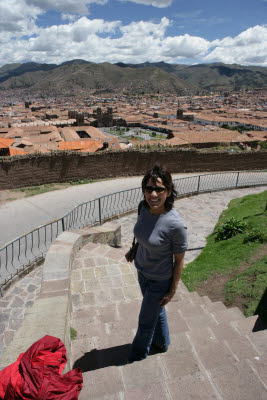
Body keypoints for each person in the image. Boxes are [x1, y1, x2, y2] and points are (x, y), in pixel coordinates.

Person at [127, 163, 188, 362]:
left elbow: (179, 261)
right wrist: (134, 251)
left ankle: (136, 355)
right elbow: (143, 235)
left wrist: (172, 290)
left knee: (145, 321)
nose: (153, 194)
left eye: (159, 189)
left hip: (159, 280)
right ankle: (162, 343)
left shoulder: (175, 225)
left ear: (169, 191)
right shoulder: (144, 208)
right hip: (142, 272)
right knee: (155, 311)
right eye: (149, 189)